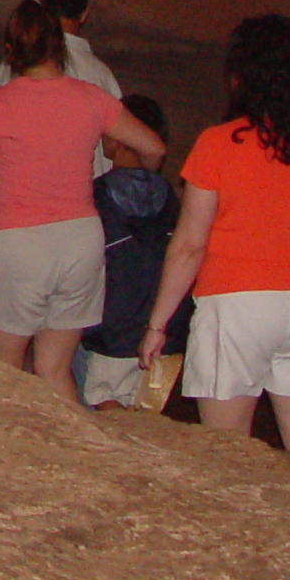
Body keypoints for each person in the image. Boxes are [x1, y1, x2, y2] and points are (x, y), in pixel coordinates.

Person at [139, 16, 290, 473]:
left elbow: (189, 245)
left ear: (242, 78)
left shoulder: (218, 145)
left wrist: (157, 323)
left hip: (236, 305)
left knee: (226, 452)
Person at [0, 0, 167, 398]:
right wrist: (139, 182)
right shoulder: (91, 97)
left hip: (21, 241)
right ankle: (71, 457)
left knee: (2, 370)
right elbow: (154, 148)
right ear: (60, 45)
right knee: (55, 369)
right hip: (81, 239)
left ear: (12, 51)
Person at [76, 93, 190, 407]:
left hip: (109, 335)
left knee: (102, 406)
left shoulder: (95, 197)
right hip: (166, 337)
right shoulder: (173, 201)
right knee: (144, 417)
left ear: (116, 141)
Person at [0, 0, 123, 177]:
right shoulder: (101, 77)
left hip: (21, 198)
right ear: (84, 14)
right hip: (84, 203)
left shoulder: (13, 66)